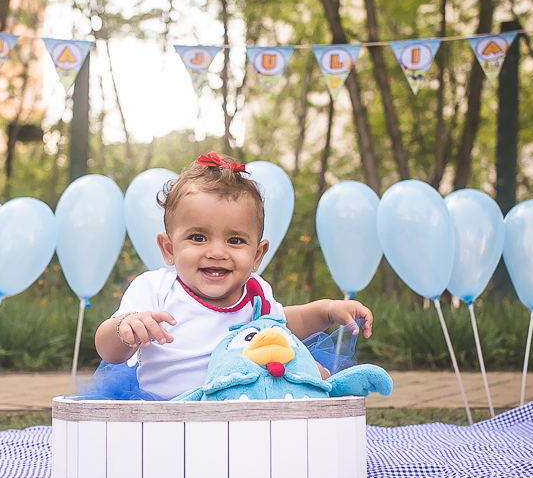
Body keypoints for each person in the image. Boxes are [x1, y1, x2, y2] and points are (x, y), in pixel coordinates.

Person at [93, 151, 373, 400]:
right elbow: (108, 351)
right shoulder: (154, 289)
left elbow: (289, 322)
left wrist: (327, 311)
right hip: (168, 414)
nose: (217, 252)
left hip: (239, 408)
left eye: (235, 240)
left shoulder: (256, 293)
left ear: (257, 255)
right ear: (169, 248)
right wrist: (125, 327)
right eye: (198, 237)